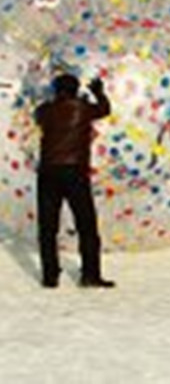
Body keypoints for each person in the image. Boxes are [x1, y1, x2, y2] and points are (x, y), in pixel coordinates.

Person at [34, 73, 115, 289]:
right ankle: (90, 275)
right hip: (75, 173)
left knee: (47, 227)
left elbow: (39, 115)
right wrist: (99, 92)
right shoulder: (83, 108)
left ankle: (50, 276)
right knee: (86, 226)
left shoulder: (45, 110)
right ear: (76, 90)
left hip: (48, 172)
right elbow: (105, 110)